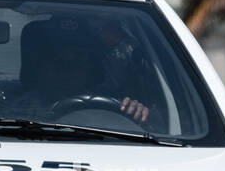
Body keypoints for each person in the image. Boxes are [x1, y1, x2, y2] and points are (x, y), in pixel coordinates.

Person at [8, 16, 152, 125]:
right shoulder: (11, 114)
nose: (65, 70)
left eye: (77, 61)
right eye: (55, 59)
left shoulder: (115, 108)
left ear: (93, 69)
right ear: (37, 66)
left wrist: (136, 115)